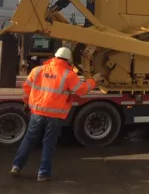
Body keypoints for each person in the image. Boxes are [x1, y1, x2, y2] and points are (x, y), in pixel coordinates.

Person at [9, 47, 102, 181]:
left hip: (37, 112)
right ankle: (43, 173)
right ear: (68, 60)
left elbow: (26, 89)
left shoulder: (37, 70)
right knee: (49, 144)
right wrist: (94, 80)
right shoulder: (68, 75)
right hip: (55, 116)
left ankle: (16, 166)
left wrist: (26, 104)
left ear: (55, 57)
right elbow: (81, 90)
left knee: (29, 140)